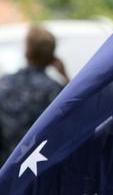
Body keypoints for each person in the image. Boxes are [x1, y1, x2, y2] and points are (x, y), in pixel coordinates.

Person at [0, 25, 69, 163]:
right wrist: (65, 77)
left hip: (5, 168)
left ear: (26, 51)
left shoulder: (5, 83)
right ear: (52, 56)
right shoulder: (55, 90)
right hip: (38, 166)